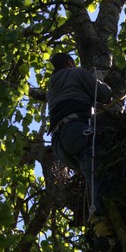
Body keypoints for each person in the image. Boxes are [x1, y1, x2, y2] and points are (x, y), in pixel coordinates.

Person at [47, 52, 114, 241]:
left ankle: (100, 221)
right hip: (76, 131)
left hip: (60, 144)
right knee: (96, 165)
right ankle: (98, 220)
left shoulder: (51, 87)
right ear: (69, 62)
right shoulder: (76, 72)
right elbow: (104, 94)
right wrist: (98, 80)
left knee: (90, 172)